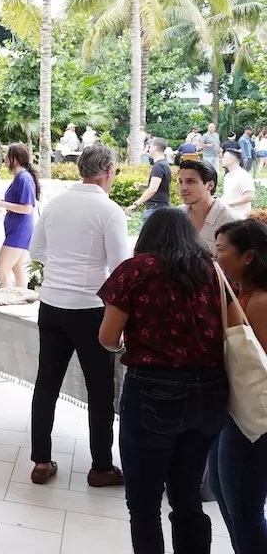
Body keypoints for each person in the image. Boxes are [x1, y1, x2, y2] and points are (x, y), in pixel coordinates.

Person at [98, 209, 228, 554]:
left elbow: (108, 337)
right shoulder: (213, 270)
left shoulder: (135, 270)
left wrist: (130, 343)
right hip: (210, 392)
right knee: (187, 497)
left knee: (144, 502)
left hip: (153, 390)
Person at [27, 145, 128, 487]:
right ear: (109, 171)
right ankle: (101, 467)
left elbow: (36, 250)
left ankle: (41, 461)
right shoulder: (109, 210)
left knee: (46, 383)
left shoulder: (56, 204)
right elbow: (120, 267)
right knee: (99, 390)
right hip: (90, 309)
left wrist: (61, 268)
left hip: (52, 304)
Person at [209, 219, 267, 552]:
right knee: (223, 490)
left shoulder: (260, 302)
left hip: (253, 420)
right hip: (235, 410)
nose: (215, 257)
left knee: (245, 509)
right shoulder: (238, 294)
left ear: (248, 256)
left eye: (220, 250)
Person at [0, 142, 38, 289]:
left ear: (15, 159)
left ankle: (7, 296)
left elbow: (27, 208)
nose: (5, 159)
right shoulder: (21, 178)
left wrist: (0, 203)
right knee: (18, 270)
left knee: (1, 269)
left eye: (7, 155)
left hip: (19, 230)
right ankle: (22, 296)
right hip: (17, 229)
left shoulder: (23, 178)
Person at [178, 159, 239, 254]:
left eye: (190, 181)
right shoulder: (176, 216)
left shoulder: (231, 221)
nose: (183, 188)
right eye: (181, 182)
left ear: (210, 185)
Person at [126, 138, 172, 221]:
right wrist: (144, 186)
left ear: (154, 148)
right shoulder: (164, 164)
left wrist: (136, 204)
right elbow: (160, 185)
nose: (148, 148)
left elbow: (153, 189)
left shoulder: (158, 166)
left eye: (150, 146)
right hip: (161, 206)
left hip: (155, 207)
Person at [222, 148, 256, 220]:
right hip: (228, 215)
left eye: (224, 157)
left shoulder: (243, 175)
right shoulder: (227, 176)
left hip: (240, 217)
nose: (222, 159)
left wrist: (230, 203)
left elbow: (250, 196)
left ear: (231, 160)